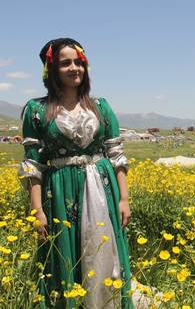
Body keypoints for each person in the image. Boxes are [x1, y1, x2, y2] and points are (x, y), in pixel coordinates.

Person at [19, 38, 133, 308]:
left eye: (78, 62)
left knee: (105, 252)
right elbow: (33, 165)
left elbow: (116, 155)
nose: (75, 68)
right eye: (65, 63)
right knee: (64, 256)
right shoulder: (36, 111)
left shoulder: (101, 107)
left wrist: (124, 198)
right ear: (52, 70)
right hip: (60, 190)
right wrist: (37, 210)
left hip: (103, 190)